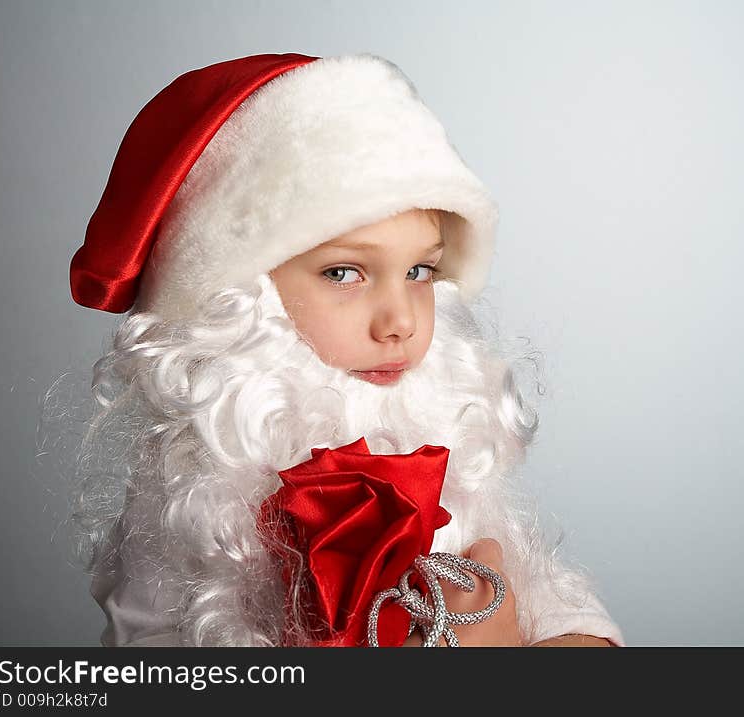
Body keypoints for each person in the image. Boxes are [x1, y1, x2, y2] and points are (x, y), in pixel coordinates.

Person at [64, 52, 624, 647]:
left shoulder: (442, 431)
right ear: (243, 297)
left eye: (419, 271)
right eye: (343, 274)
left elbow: (563, 609)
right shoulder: (192, 497)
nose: (400, 321)